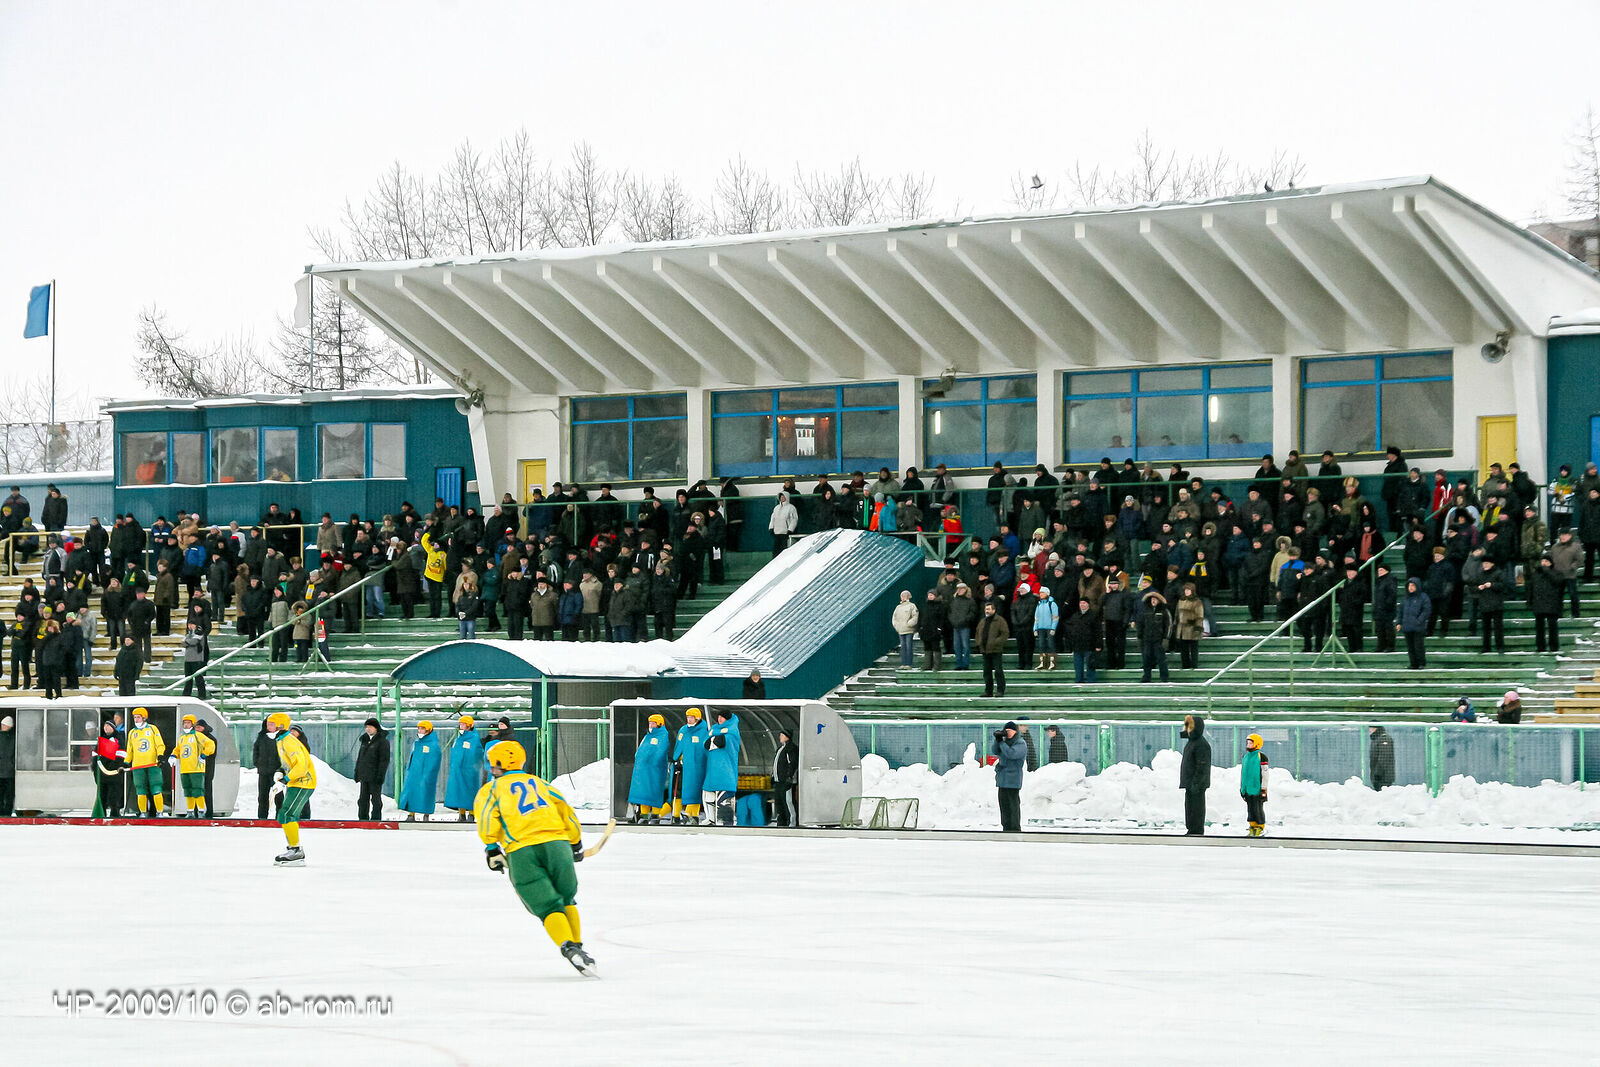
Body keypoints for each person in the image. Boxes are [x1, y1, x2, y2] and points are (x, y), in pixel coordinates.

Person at [474, 740, 597, 977]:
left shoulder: (491, 789)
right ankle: (578, 947)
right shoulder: (541, 784)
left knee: (547, 904)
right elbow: (566, 811)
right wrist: (575, 843)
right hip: (558, 844)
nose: (490, 767)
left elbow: (488, 817)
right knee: (566, 897)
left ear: (499, 763)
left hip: (522, 849)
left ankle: (569, 947)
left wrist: (491, 848)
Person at [265, 711, 316, 866]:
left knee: (287, 813)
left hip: (303, 782)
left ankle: (296, 850)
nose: (268, 727)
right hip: (296, 781)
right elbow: (289, 763)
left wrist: (285, 780)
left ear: (280, 726)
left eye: (271, 724)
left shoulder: (289, 741)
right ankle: (293, 848)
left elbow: (301, 766)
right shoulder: (281, 740)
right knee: (285, 814)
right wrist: (281, 771)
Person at [627, 714, 672, 824]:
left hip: (655, 771)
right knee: (644, 793)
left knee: (655, 792)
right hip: (643, 771)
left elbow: (660, 751)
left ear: (659, 724)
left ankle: (656, 816)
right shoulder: (647, 736)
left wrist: (653, 763)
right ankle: (644, 816)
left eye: (653, 723)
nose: (651, 725)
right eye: (650, 723)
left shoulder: (663, 735)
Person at [171, 714, 215, 818]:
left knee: (198, 790)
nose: (186, 725)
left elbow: (211, 744)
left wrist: (204, 754)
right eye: (184, 723)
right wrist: (173, 756)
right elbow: (178, 749)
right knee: (188, 790)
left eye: (188, 723)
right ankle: (190, 811)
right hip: (185, 769)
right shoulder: (182, 738)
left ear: (193, 724)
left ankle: (201, 811)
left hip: (196, 769)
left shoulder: (198, 736)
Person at [703, 708, 741, 826]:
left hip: (725, 770)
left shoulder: (732, 730)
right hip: (712, 771)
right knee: (708, 793)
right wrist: (713, 739)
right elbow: (706, 744)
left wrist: (713, 738)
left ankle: (725, 821)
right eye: (718, 716)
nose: (719, 719)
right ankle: (711, 818)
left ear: (727, 718)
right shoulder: (714, 728)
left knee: (724, 796)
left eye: (722, 717)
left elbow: (721, 741)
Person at [398, 720, 443, 821]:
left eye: (422, 728)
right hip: (413, 773)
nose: (419, 730)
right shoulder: (416, 743)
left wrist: (429, 774)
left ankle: (426, 814)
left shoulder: (434, 744)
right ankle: (411, 814)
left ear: (428, 730)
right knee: (412, 793)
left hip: (426, 775)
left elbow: (435, 761)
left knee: (426, 793)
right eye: (419, 728)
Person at [125, 707, 166, 817]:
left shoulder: (152, 729)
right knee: (140, 789)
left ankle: (160, 812)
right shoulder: (132, 732)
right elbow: (129, 750)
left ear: (144, 718)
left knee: (156, 787)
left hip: (153, 764)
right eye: (134, 717)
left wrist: (160, 755)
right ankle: (143, 812)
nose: (136, 720)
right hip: (138, 766)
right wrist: (126, 762)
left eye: (138, 717)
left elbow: (160, 744)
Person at [671, 707, 709, 824]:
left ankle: (693, 815)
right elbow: (679, 746)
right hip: (681, 767)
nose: (689, 720)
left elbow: (702, 751)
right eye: (687, 717)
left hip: (695, 768)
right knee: (678, 791)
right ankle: (675, 816)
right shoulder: (683, 730)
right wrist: (676, 759)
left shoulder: (704, 731)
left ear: (697, 718)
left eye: (691, 717)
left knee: (694, 790)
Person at [444, 716, 485, 821]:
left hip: (469, 772)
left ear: (469, 726)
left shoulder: (474, 738)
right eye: (460, 724)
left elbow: (477, 754)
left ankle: (471, 814)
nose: (461, 726)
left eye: (463, 724)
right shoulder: (458, 739)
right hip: (457, 771)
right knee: (459, 792)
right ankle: (461, 814)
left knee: (470, 792)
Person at [1179, 714, 1211, 835]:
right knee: (1190, 808)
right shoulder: (1192, 742)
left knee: (1196, 808)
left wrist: (1196, 783)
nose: (1187, 730)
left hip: (1197, 784)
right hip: (1190, 783)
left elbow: (1202, 767)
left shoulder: (1201, 744)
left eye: (1190, 727)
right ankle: (1192, 829)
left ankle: (1196, 830)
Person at [354, 718, 391, 821]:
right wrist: (357, 772)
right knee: (363, 799)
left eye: (370, 727)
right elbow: (360, 758)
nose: (368, 729)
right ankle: (363, 818)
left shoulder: (382, 742)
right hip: (364, 775)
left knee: (376, 799)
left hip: (375, 776)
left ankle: (376, 818)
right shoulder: (365, 741)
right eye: (366, 727)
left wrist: (380, 775)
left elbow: (384, 760)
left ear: (376, 728)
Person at [992, 722, 1026, 832]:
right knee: (1004, 805)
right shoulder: (1004, 742)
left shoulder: (1020, 743)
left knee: (1013, 805)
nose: (1007, 733)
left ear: (1015, 731)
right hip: (1002, 779)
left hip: (1013, 779)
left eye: (1010, 731)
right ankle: (1006, 827)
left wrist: (1002, 742)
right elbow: (995, 751)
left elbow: (1011, 754)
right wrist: (997, 740)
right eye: (1006, 731)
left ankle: (1015, 828)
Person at [1137, 587, 1172, 683]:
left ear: (1159, 601)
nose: (1153, 601)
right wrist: (1139, 637)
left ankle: (1164, 677)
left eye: (1155, 599)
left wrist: (1166, 638)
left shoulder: (1164, 611)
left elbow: (1169, 625)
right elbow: (1140, 624)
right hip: (1147, 639)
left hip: (1158, 640)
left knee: (1161, 659)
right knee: (1146, 659)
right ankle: (1146, 676)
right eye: (1152, 599)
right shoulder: (1145, 611)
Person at [976, 601, 1010, 698]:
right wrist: (979, 643)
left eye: (989, 609)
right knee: (986, 672)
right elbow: (978, 633)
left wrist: (995, 642)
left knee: (998, 671)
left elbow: (1005, 634)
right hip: (985, 650)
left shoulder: (1000, 621)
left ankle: (1000, 690)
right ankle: (988, 691)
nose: (987, 611)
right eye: (986, 609)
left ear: (994, 610)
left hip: (996, 650)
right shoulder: (982, 621)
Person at [93, 719, 125, 817]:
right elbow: (95, 755)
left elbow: (121, 755)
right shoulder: (101, 739)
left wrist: (114, 767)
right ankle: (101, 814)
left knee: (114, 796)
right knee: (102, 795)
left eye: (108, 726)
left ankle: (114, 814)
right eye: (104, 726)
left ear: (113, 728)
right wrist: (95, 769)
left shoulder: (119, 739)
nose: (105, 728)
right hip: (102, 774)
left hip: (114, 774)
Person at [253, 717, 282, 819]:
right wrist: (258, 763)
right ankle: (262, 817)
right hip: (263, 771)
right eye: (268, 724)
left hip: (276, 772)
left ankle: (279, 817)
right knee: (262, 796)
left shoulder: (281, 737)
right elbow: (256, 751)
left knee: (278, 796)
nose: (269, 726)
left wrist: (280, 768)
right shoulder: (261, 737)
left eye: (272, 724)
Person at [1399, 577, 1431, 670]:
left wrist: (1419, 620)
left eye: (1413, 585)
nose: (1411, 587)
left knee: (1418, 646)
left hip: (1418, 627)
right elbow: (1400, 611)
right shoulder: (1405, 598)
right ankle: (1413, 663)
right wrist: (1399, 622)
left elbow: (1426, 610)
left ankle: (1421, 663)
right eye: (1409, 585)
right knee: (1410, 647)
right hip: (1407, 626)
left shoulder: (1423, 597)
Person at [1240, 732, 1268, 837]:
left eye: (1251, 743)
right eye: (1247, 743)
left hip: (1257, 789)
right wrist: (1242, 788)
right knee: (1250, 809)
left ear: (1257, 744)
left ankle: (1260, 827)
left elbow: (1265, 774)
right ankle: (1252, 826)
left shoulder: (1261, 757)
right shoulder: (1246, 757)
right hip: (1247, 789)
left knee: (1258, 808)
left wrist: (1263, 788)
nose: (1248, 745)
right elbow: (1244, 774)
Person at [772, 728, 799, 827]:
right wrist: (773, 776)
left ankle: (792, 823)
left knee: (788, 802)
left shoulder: (791, 748)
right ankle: (781, 823)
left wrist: (789, 777)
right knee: (779, 803)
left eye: (782, 735)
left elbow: (793, 763)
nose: (780, 737)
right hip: (779, 781)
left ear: (787, 736)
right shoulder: (780, 749)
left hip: (787, 782)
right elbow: (776, 764)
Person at [1033, 588, 1060, 672]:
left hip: (1049, 628)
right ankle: (1042, 662)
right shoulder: (1039, 605)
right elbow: (1036, 618)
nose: (1041, 594)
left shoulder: (1052, 604)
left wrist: (1053, 628)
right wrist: (1035, 628)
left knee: (1050, 644)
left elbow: (1055, 617)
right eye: (1040, 593)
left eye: (1043, 593)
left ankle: (1052, 662)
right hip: (1041, 627)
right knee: (1041, 645)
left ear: (1047, 593)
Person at [891, 590, 919, 669]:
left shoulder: (912, 606)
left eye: (904, 596)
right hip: (901, 630)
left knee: (908, 646)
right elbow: (894, 618)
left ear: (908, 596)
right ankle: (903, 663)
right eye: (902, 596)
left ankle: (909, 664)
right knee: (903, 647)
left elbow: (915, 616)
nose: (903, 597)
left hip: (909, 630)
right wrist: (896, 626)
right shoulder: (898, 607)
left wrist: (910, 624)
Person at [181, 624, 208, 699]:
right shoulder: (188, 634)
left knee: (198, 678)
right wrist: (187, 642)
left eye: (192, 624)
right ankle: (186, 694)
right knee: (187, 678)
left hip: (196, 659)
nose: (190, 626)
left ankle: (202, 694)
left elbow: (194, 641)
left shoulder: (199, 632)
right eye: (189, 624)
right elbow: (183, 643)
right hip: (188, 659)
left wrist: (187, 642)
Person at [769, 491, 799, 556]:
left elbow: (794, 519)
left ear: (787, 497)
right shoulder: (776, 508)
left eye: (783, 497)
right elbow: (773, 518)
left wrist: (790, 530)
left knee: (785, 550)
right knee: (776, 550)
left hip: (785, 533)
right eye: (781, 497)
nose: (782, 498)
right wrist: (771, 528)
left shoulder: (791, 507)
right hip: (776, 533)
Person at [1369, 725, 1395, 790]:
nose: (1370, 730)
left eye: (1371, 728)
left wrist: (1378, 774)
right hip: (1377, 776)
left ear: (1375, 728)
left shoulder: (1384, 739)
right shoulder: (1376, 739)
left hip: (1384, 776)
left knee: (1384, 794)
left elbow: (1384, 757)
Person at [0, 715, 14, 818]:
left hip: (4, 771)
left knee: (3, 794)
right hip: (10, 772)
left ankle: (3, 813)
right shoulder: (14, 738)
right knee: (8, 794)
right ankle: (7, 813)